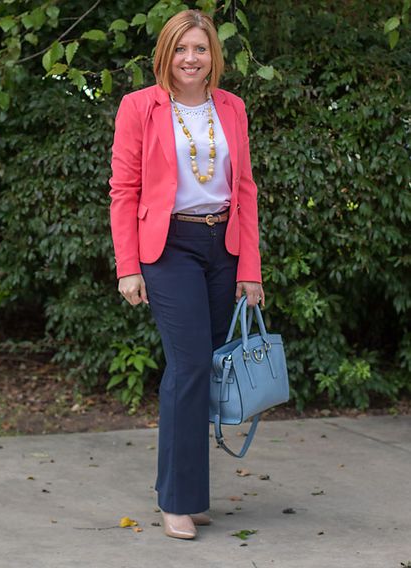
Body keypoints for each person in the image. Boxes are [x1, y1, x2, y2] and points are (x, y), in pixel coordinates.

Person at [108, 8, 265, 540]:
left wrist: (251, 267)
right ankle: (175, 499)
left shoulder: (233, 108)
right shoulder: (139, 108)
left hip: (222, 245)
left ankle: (191, 494)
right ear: (165, 55)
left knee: (206, 369)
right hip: (168, 247)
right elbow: (123, 190)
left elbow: (244, 188)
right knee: (190, 363)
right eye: (180, 49)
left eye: (199, 49)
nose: (190, 58)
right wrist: (128, 266)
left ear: (212, 56)